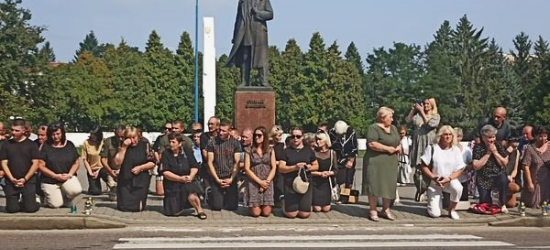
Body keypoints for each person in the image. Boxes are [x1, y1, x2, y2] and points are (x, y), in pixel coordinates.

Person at [363, 107, 401, 222]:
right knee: (374, 184)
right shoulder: (373, 128)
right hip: (375, 162)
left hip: (391, 162)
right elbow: (372, 144)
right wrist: (387, 149)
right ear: (382, 118)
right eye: (390, 117)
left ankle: (386, 209)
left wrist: (399, 147)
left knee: (388, 185)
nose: (392, 119)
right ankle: (373, 210)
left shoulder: (393, 128)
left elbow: (397, 140)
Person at [420, 126, 465, 220]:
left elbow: (460, 169)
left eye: (450, 134)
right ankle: (432, 203)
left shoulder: (455, 150)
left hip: (449, 180)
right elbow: (423, 165)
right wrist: (433, 177)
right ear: (440, 135)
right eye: (445, 134)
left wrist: (448, 179)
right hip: (434, 182)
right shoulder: (432, 148)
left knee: (458, 187)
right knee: (435, 214)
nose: (448, 137)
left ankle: (452, 209)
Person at [226, 0, 274, 87]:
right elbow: (238, 18)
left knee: (261, 57)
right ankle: (244, 81)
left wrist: (258, 13)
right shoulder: (242, 1)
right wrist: (235, 35)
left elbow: (270, 14)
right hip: (245, 31)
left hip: (259, 31)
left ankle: (263, 81)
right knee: (245, 56)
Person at [160, 133, 206, 219]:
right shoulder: (166, 154)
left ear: (180, 143)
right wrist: (179, 179)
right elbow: (165, 172)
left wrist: (191, 176)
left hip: (187, 180)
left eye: (173, 142)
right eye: (170, 142)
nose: (171, 144)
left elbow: (194, 166)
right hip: (172, 183)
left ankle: (199, 210)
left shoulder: (187, 152)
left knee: (190, 190)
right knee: (172, 212)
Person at [0, 119, 40, 213]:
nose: (13, 132)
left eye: (17, 130)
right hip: (11, 180)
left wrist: (25, 178)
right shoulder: (7, 145)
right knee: (12, 209)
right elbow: (4, 163)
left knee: (30, 209)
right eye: (12, 130)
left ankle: (33, 201)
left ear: (23, 131)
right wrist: (11, 178)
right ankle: (19, 203)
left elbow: (36, 163)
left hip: (28, 180)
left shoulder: (32, 144)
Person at [278, 126, 319, 219]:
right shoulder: (286, 151)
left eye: (298, 136)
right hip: (290, 183)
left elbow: (316, 165)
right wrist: (294, 167)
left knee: (304, 215)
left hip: (305, 183)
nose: (295, 138)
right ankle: (284, 202)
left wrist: (309, 167)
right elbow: (281, 168)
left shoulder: (308, 150)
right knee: (292, 215)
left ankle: (305, 205)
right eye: (293, 136)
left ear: (302, 137)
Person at [39, 122, 82, 208]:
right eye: (53, 134)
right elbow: (41, 166)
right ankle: (47, 198)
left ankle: (66, 198)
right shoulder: (46, 146)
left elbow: (76, 163)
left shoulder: (69, 145)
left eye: (58, 134)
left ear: (62, 133)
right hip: (50, 180)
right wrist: (55, 176)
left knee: (76, 190)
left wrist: (70, 174)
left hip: (66, 177)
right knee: (56, 205)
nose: (56, 137)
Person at [114, 126, 156, 212]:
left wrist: (141, 167)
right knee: (123, 207)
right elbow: (117, 163)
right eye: (129, 138)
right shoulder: (122, 146)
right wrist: (124, 148)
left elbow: (152, 163)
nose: (132, 141)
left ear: (138, 136)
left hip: (140, 179)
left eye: (134, 137)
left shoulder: (145, 145)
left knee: (137, 208)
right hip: (125, 179)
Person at [205, 120, 242, 211]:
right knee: (216, 207)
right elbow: (210, 162)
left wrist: (231, 179)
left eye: (224, 131)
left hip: (230, 177)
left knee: (232, 207)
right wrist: (217, 179)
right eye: (220, 130)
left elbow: (237, 162)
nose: (221, 133)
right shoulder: (212, 142)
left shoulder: (235, 143)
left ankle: (226, 198)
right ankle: (210, 194)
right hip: (217, 176)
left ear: (229, 131)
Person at [472, 125, 509, 213]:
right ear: (483, 138)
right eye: (489, 137)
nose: (492, 140)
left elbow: (504, 163)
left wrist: (495, 153)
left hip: (497, 174)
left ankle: (502, 203)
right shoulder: (478, 147)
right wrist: (488, 153)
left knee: (503, 179)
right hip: (484, 176)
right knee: (485, 204)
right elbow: (476, 166)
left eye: (493, 137)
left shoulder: (499, 145)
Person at [243, 126, 276, 217]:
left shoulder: (270, 150)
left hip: (267, 181)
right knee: (256, 213)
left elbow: (273, 167)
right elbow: (247, 168)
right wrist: (260, 182)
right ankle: (253, 206)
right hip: (254, 181)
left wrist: (267, 181)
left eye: (259, 135)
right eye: (255, 135)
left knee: (266, 213)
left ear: (264, 136)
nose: (256, 137)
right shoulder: (248, 150)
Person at [406, 98, 440, 171]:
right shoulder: (418, 116)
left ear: (432, 105)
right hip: (418, 142)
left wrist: (422, 112)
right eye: (424, 103)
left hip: (428, 142)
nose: (425, 105)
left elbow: (429, 125)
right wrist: (413, 110)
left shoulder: (435, 116)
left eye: (428, 104)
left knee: (429, 164)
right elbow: (408, 121)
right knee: (418, 167)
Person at [521, 126, 550, 208]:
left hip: (547, 180)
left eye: (545, 136)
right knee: (535, 204)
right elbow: (525, 166)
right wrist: (530, 183)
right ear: (535, 136)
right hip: (535, 180)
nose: (543, 138)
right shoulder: (530, 149)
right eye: (540, 136)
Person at [82, 125, 116, 196]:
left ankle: (111, 185)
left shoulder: (104, 142)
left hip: (103, 168)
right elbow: (85, 159)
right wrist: (90, 171)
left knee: (105, 173)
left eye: (94, 134)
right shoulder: (86, 143)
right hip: (92, 169)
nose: (92, 136)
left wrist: (98, 170)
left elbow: (105, 159)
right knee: (95, 192)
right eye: (91, 134)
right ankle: (93, 187)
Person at [311, 132, 337, 213]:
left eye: (320, 139)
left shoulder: (332, 153)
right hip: (315, 182)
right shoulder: (313, 153)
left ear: (325, 140)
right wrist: (319, 174)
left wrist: (329, 173)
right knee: (317, 209)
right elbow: (308, 170)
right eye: (316, 140)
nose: (318, 141)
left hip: (327, 183)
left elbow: (336, 170)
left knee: (326, 209)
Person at [100, 125, 125, 201]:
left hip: (124, 169)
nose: (120, 139)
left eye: (122, 137)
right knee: (113, 199)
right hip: (111, 169)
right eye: (118, 136)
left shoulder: (128, 142)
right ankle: (112, 187)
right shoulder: (108, 142)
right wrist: (111, 172)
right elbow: (103, 159)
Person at [268, 125, 285, 208]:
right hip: (269, 169)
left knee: (279, 184)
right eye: (278, 135)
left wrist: (276, 163)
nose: (280, 137)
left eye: (281, 135)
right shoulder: (268, 146)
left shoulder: (282, 146)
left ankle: (279, 201)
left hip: (279, 171)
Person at [504, 135, 521, 208]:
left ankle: (506, 196)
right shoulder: (502, 150)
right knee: (514, 187)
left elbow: (515, 168)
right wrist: (507, 153)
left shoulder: (517, 152)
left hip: (511, 178)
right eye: (513, 142)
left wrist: (511, 176)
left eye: (517, 142)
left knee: (511, 205)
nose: (515, 144)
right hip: (501, 176)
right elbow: (501, 165)